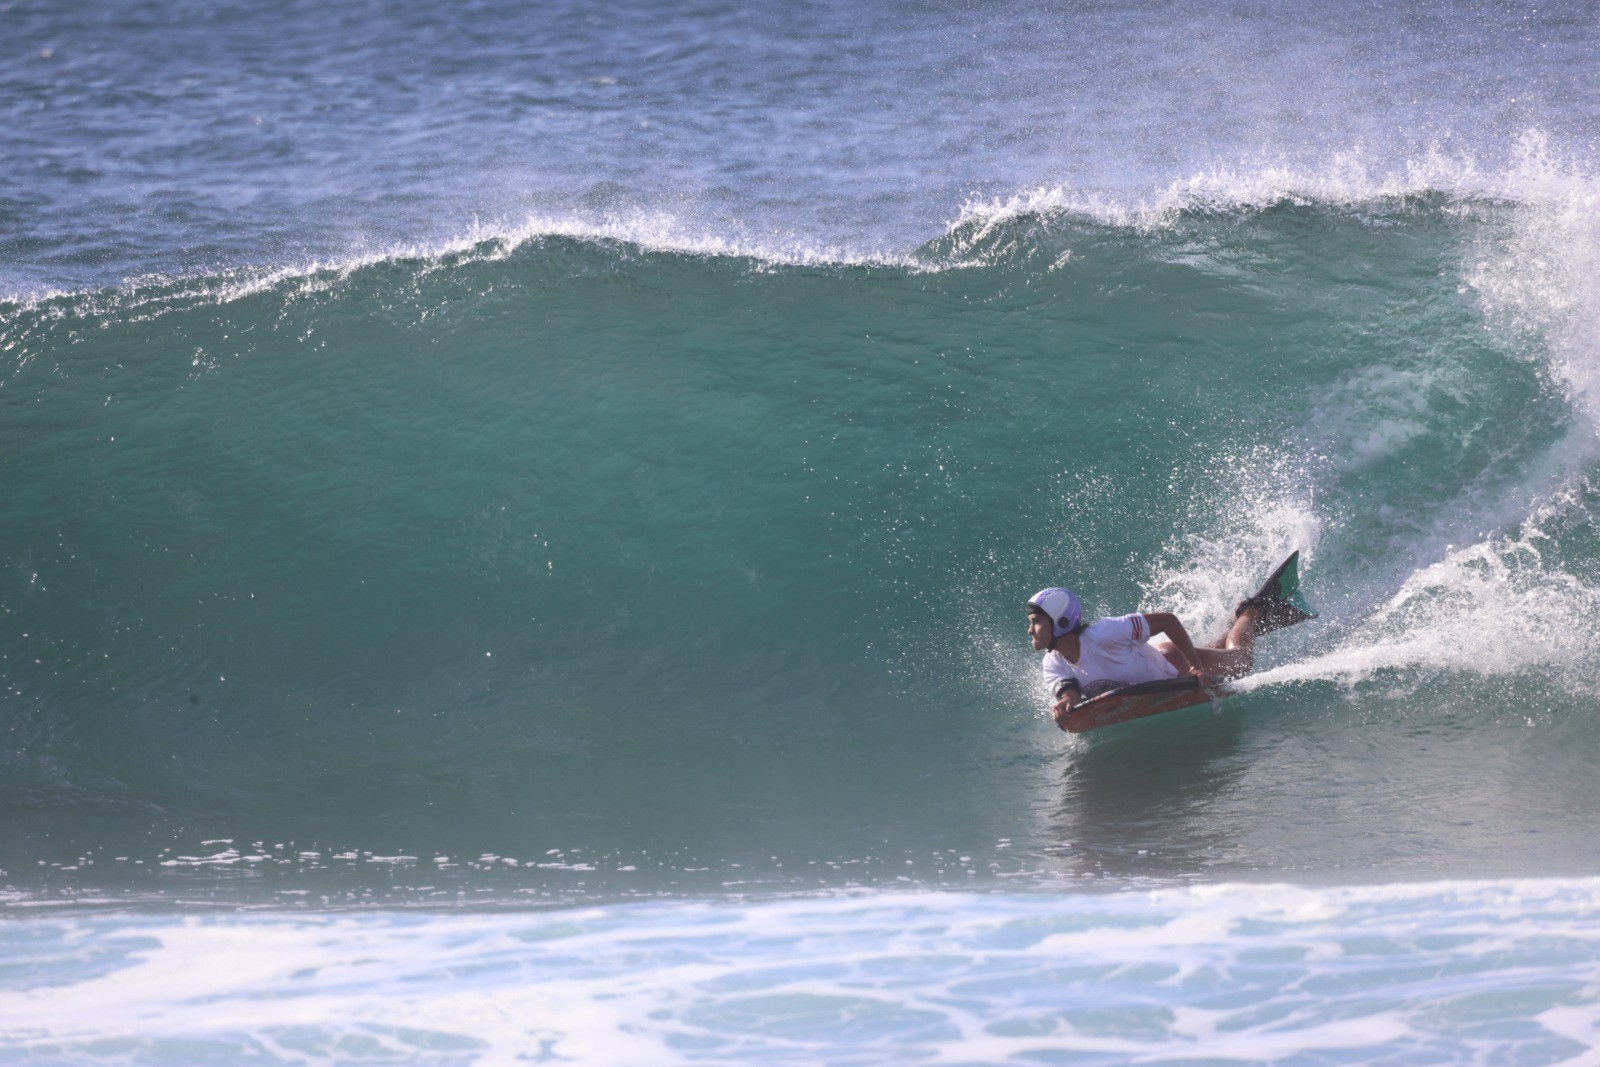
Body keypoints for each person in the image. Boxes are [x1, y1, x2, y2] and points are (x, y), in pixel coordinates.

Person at [1027, 555, 1314, 731]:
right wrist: (1065, 706)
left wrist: (1195, 666)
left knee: (1240, 661)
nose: (1030, 630)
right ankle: (1234, 623)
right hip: (1160, 665)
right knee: (1218, 647)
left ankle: (1252, 610)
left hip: (1172, 663)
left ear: (1061, 621)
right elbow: (1072, 695)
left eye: (1036, 621)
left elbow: (1167, 621)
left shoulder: (1103, 635)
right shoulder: (1053, 662)